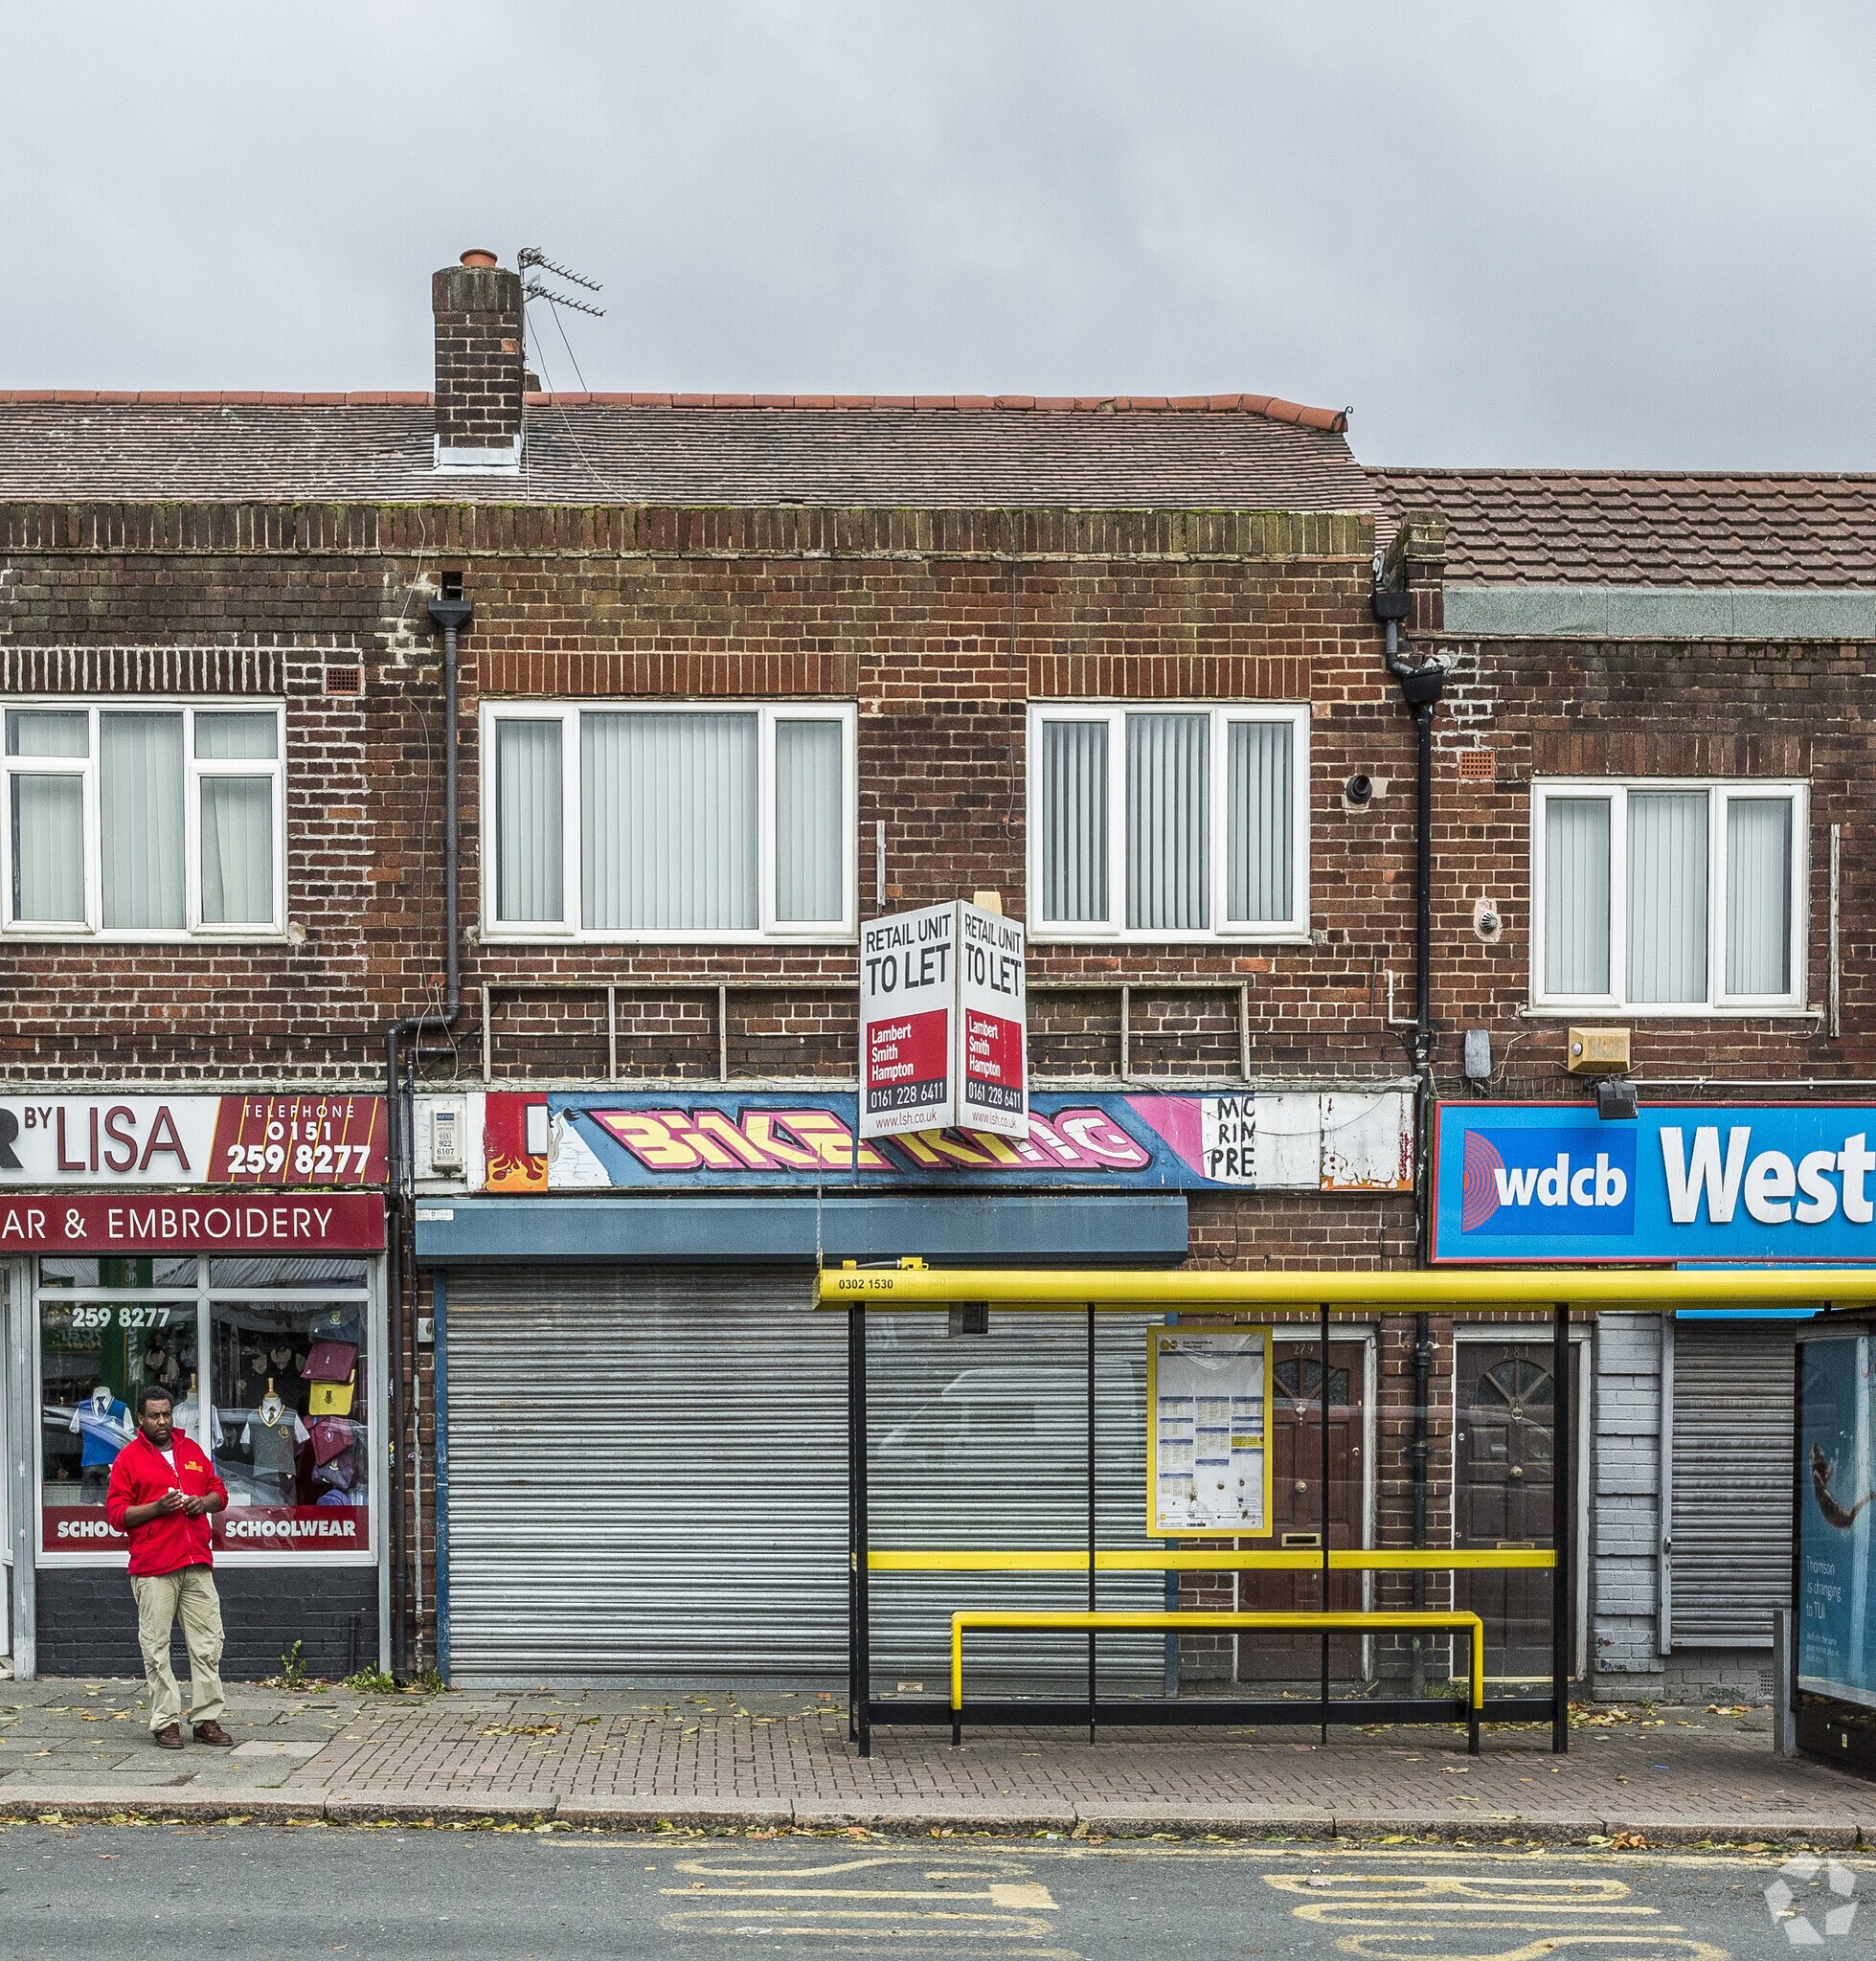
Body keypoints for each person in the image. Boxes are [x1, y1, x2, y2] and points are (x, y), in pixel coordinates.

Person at [104, 1384, 235, 1750]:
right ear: (141, 1419)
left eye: (167, 1414)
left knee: (208, 1642)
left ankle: (206, 1718)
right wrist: (157, 1509)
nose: (162, 1421)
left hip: (196, 1564)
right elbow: (117, 1514)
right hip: (153, 1566)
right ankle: (165, 1722)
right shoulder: (129, 1459)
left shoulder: (190, 1450)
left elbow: (219, 1492)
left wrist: (203, 1503)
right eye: (154, 1415)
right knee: (156, 1647)